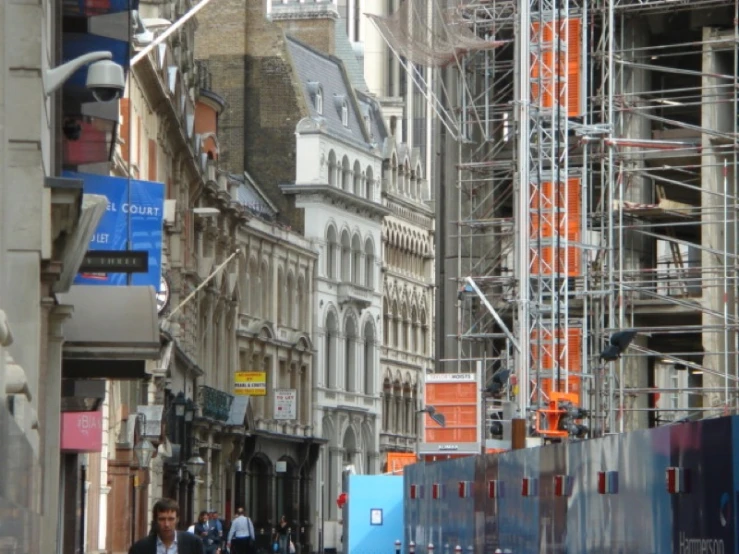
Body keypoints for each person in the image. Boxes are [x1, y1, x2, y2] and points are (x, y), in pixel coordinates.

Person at [129, 498, 205, 554]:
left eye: (171, 519)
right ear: (155, 520)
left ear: (177, 519)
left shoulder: (193, 543)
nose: (166, 524)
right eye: (162, 519)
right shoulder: (139, 548)